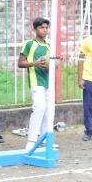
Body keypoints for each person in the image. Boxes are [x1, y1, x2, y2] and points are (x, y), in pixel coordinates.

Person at [18, 17, 58, 150]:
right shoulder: (29, 44)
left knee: (48, 110)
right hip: (36, 81)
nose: (45, 30)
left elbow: (53, 64)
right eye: (42, 27)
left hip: (47, 81)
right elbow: (20, 63)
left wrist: (54, 64)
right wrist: (34, 63)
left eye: (46, 27)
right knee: (39, 108)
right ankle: (31, 140)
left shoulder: (49, 46)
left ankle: (44, 139)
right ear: (35, 29)